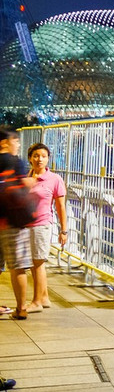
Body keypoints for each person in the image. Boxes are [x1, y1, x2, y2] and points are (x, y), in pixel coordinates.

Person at [25, 143, 68, 311]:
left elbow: (61, 207)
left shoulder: (55, 179)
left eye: (43, 156)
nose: (39, 159)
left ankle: (36, 302)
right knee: (33, 263)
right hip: (26, 225)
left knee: (38, 262)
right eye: (36, 156)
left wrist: (63, 230)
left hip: (42, 224)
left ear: (48, 159)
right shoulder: (27, 177)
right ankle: (44, 298)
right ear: (30, 158)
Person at [0, 128, 35, 319]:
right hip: (13, 222)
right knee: (18, 267)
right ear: (5, 143)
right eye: (16, 141)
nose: (18, 145)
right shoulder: (15, 161)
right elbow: (25, 186)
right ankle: (21, 308)